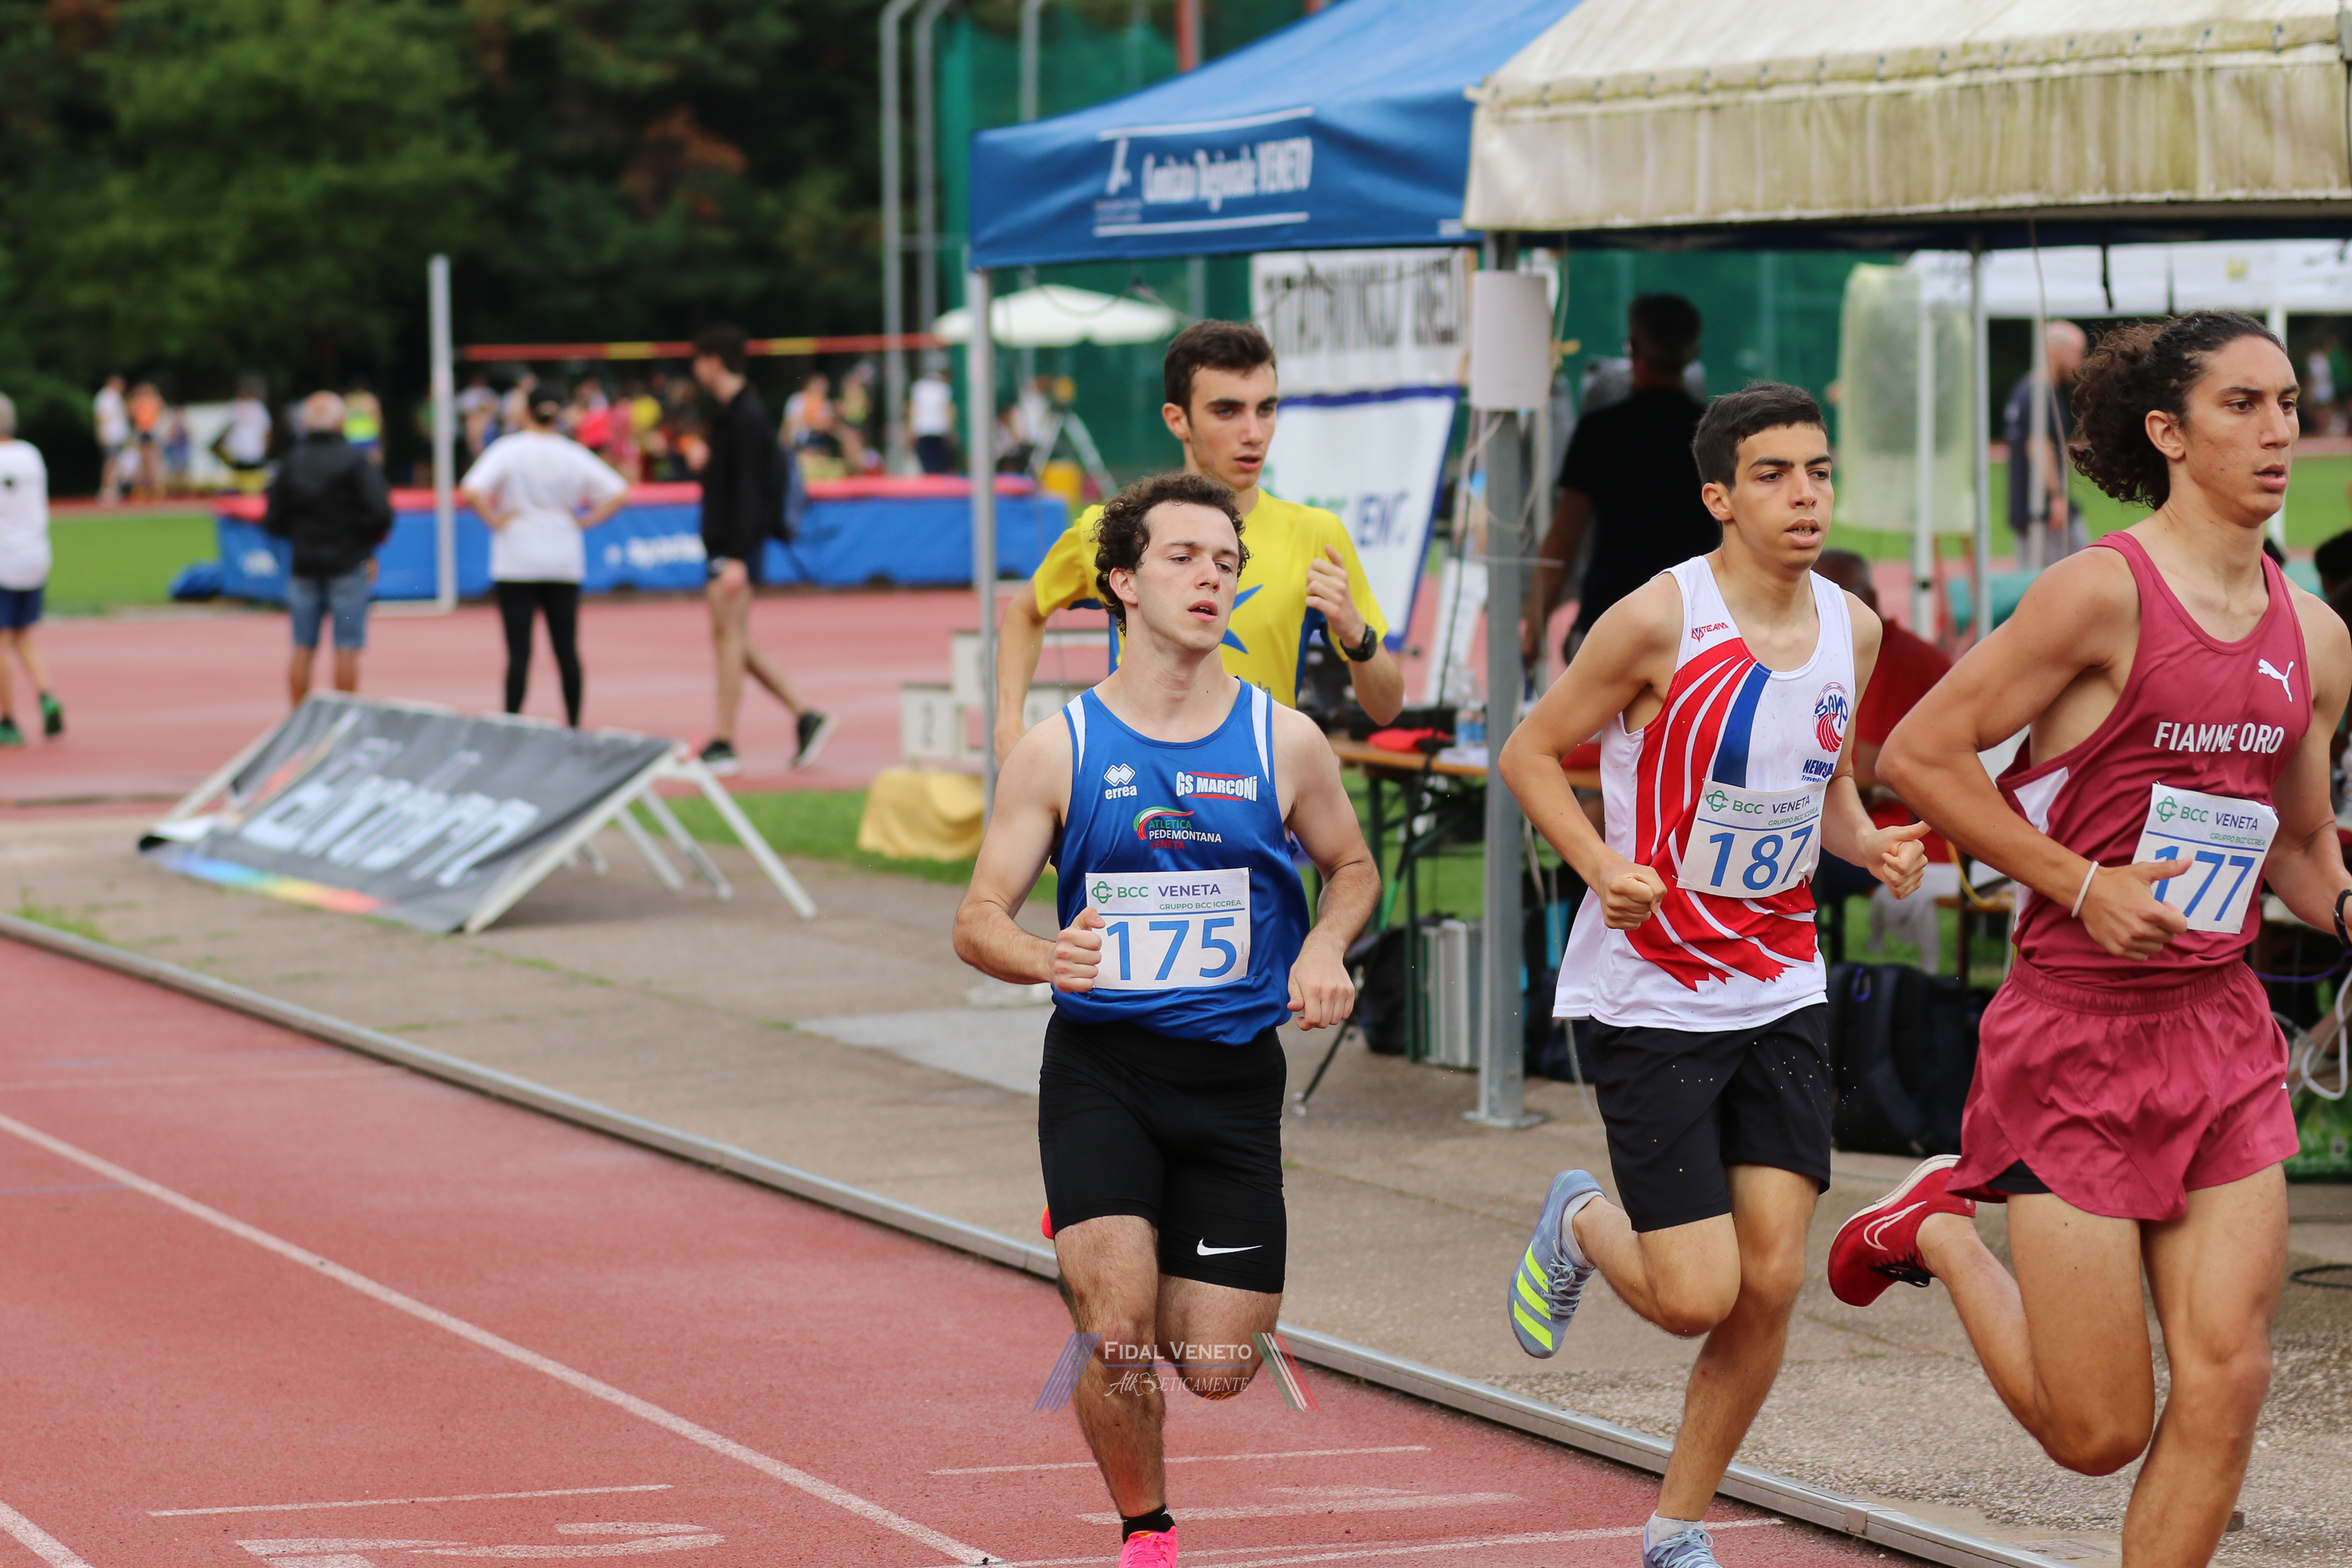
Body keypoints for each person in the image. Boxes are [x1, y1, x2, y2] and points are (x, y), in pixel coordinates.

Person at [1838, 312, 2350, 1568]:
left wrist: (2343, 905)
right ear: (2167, 432)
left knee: (2229, 1381)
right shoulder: (2100, 593)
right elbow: (1923, 755)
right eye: (2242, 405)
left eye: (2288, 403)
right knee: (2098, 1430)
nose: (2278, 431)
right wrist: (2082, 885)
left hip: (2220, 1032)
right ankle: (1938, 1227)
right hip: (2075, 1035)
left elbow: (2297, 843)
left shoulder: (2317, 637)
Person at [1497, 383, 1931, 1568]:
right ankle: (1579, 1219)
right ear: (1720, 497)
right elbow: (1529, 751)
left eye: (1819, 471)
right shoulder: (1656, 620)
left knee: (1772, 1280)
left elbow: (1826, 780)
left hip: (1782, 984)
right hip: (1653, 989)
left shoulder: (1855, 627)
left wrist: (1871, 843)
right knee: (1696, 1294)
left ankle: (1675, 1527)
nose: (1805, 495)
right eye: (1776, 474)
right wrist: (1600, 863)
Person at [953, 470, 1377, 1568]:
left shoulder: (1285, 741)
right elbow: (978, 919)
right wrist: (1049, 956)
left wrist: (1324, 946)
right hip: (1104, 1069)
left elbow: (1353, 866)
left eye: (1226, 563)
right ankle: (1148, 1531)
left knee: (1218, 1367)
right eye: (1183, 558)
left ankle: (1117, 1246)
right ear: (1124, 583)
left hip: (1234, 1079)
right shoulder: (1061, 748)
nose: (1210, 578)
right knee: (1119, 1336)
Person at [994, 321, 1404, 761]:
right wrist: (1007, 723)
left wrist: (1357, 635)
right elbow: (1025, 612)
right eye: (1227, 411)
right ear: (1178, 420)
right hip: (1139, 788)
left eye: (1266, 409)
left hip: (1260, 793)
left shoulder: (1316, 535)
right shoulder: (1116, 526)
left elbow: (1386, 709)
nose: (1254, 432)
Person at [1526, 295, 1721, 667]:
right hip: (1695, 624)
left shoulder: (1601, 431)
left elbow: (1564, 537)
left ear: (1633, 350)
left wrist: (1534, 631)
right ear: (1693, 352)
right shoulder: (1718, 436)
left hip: (1609, 617)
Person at [688, 324, 832, 775]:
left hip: (734, 547)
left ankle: (725, 742)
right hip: (729, 544)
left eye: (698, 361)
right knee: (733, 640)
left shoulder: (746, 417)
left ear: (714, 361)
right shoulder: (732, 414)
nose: (694, 370)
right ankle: (806, 715)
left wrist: (736, 556)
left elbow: (752, 493)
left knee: (728, 639)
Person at [459, 383, 630, 728]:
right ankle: (574, 724)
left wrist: (495, 520)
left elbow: (471, 489)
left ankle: (511, 723)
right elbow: (619, 492)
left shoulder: (508, 450)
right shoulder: (572, 453)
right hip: (562, 558)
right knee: (566, 649)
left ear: (526, 412)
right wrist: (583, 521)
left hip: (517, 558)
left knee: (519, 651)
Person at [263, 392, 393, 708]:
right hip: (347, 565)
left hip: (304, 565)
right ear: (340, 421)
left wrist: (299, 535)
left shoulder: (291, 462)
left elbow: (273, 518)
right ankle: (343, 716)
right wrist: (365, 543)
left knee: (302, 645)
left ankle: (298, 717)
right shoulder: (355, 460)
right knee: (347, 646)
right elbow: (380, 512)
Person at [0, 395, 62, 745]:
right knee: (24, 634)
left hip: (4, 559)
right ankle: (46, 694)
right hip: (36, 554)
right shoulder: (31, 455)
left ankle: (7, 718)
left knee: (2, 642)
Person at [2004, 320, 2089, 570]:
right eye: (2077, 352)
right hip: (2042, 510)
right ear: (2055, 351)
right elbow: (2038, 446)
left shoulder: (2025, 389)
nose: (2080, 361)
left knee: (2036, 576)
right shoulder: (2039, 394)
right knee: (2078, 572)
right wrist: (2056, 496)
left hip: (2030, 507)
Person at [216, 377, 273, 490]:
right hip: (237, 453)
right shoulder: (234, 407)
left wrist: (265, 448)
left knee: (254, 482)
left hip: (255, 452)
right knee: (239, 484)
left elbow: (266, 430)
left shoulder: (257, 407)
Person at [909, 365, 956, 474]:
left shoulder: (919, 388)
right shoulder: (944, 388)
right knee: (939, 465)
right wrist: (951, 430)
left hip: (922, 429)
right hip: (940, 430)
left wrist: (911, 430)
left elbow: (913, 409)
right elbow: (949, 410)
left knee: (927, 465)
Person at [93, 375, 130, 503]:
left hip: (117, 436)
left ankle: (112, 488)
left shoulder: (115, 397)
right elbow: (101, 417)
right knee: (110, 463)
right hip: (111, 436)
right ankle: (107, 490)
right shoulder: (106, 397)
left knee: (114, 463)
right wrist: (101, 433)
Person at [343, 378, 385, 468]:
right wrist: (381, 439)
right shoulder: (371, 399)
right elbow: (378, 419)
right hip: (369, 437)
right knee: (373, 467)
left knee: (351, 468)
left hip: (351, 438)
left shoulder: (347, 399)